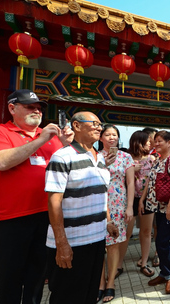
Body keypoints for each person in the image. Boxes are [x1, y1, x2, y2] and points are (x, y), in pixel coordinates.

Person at [0, 89, 73, 303]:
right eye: (30, 107)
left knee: (37, 279)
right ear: (12, 108)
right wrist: (41, 139)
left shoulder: (51, 138)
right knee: (9, 280)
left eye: (39, 108)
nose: (37, 111)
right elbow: (0, 162)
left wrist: (65, 145)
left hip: (45, 217)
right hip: (10, 219)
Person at [45, 111, 118, 304]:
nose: (99, 127)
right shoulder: (62, 157)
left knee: (89, 292)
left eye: (100, 124)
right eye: (94, 123)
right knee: (66, 295)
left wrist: (108, 222)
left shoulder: (100, 158)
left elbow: (101, 195)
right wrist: (62, 244)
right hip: (71, 243)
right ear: (76, 126)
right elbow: (54, 201)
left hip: (96, 239)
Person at [140, 130, 170, 294]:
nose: (155, 144)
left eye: (159, 141)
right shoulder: (158, 160)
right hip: (157, 207)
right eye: (155, 141)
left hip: (169, 208)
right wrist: (143, 200)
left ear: (169, 142)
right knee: (160, 240)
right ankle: (165, 273)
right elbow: (149, 182)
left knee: (162, 241)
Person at [98, 124, 134, 303]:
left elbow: (130, 183)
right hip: (97, 205)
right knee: (97, 247)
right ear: (100, 138)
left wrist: (130, 207)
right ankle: (100, 283)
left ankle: (110, 282)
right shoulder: (94, 156)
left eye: (115, 135)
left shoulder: (126, 157)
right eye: (108, 134)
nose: (112, 137)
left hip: (118, 205)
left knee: (113, 245)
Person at [127, 131, 156, 277]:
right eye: (147, 141)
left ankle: (144, 262)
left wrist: (143, 200)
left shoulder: (151, 159)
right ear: (138, 142)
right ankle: (118, 265)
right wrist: (132, 170)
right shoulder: (126, 158)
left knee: (146, 231)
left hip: (147, 199)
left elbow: (152, 181)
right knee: (126, 233)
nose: (150, 144)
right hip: (129, 200)